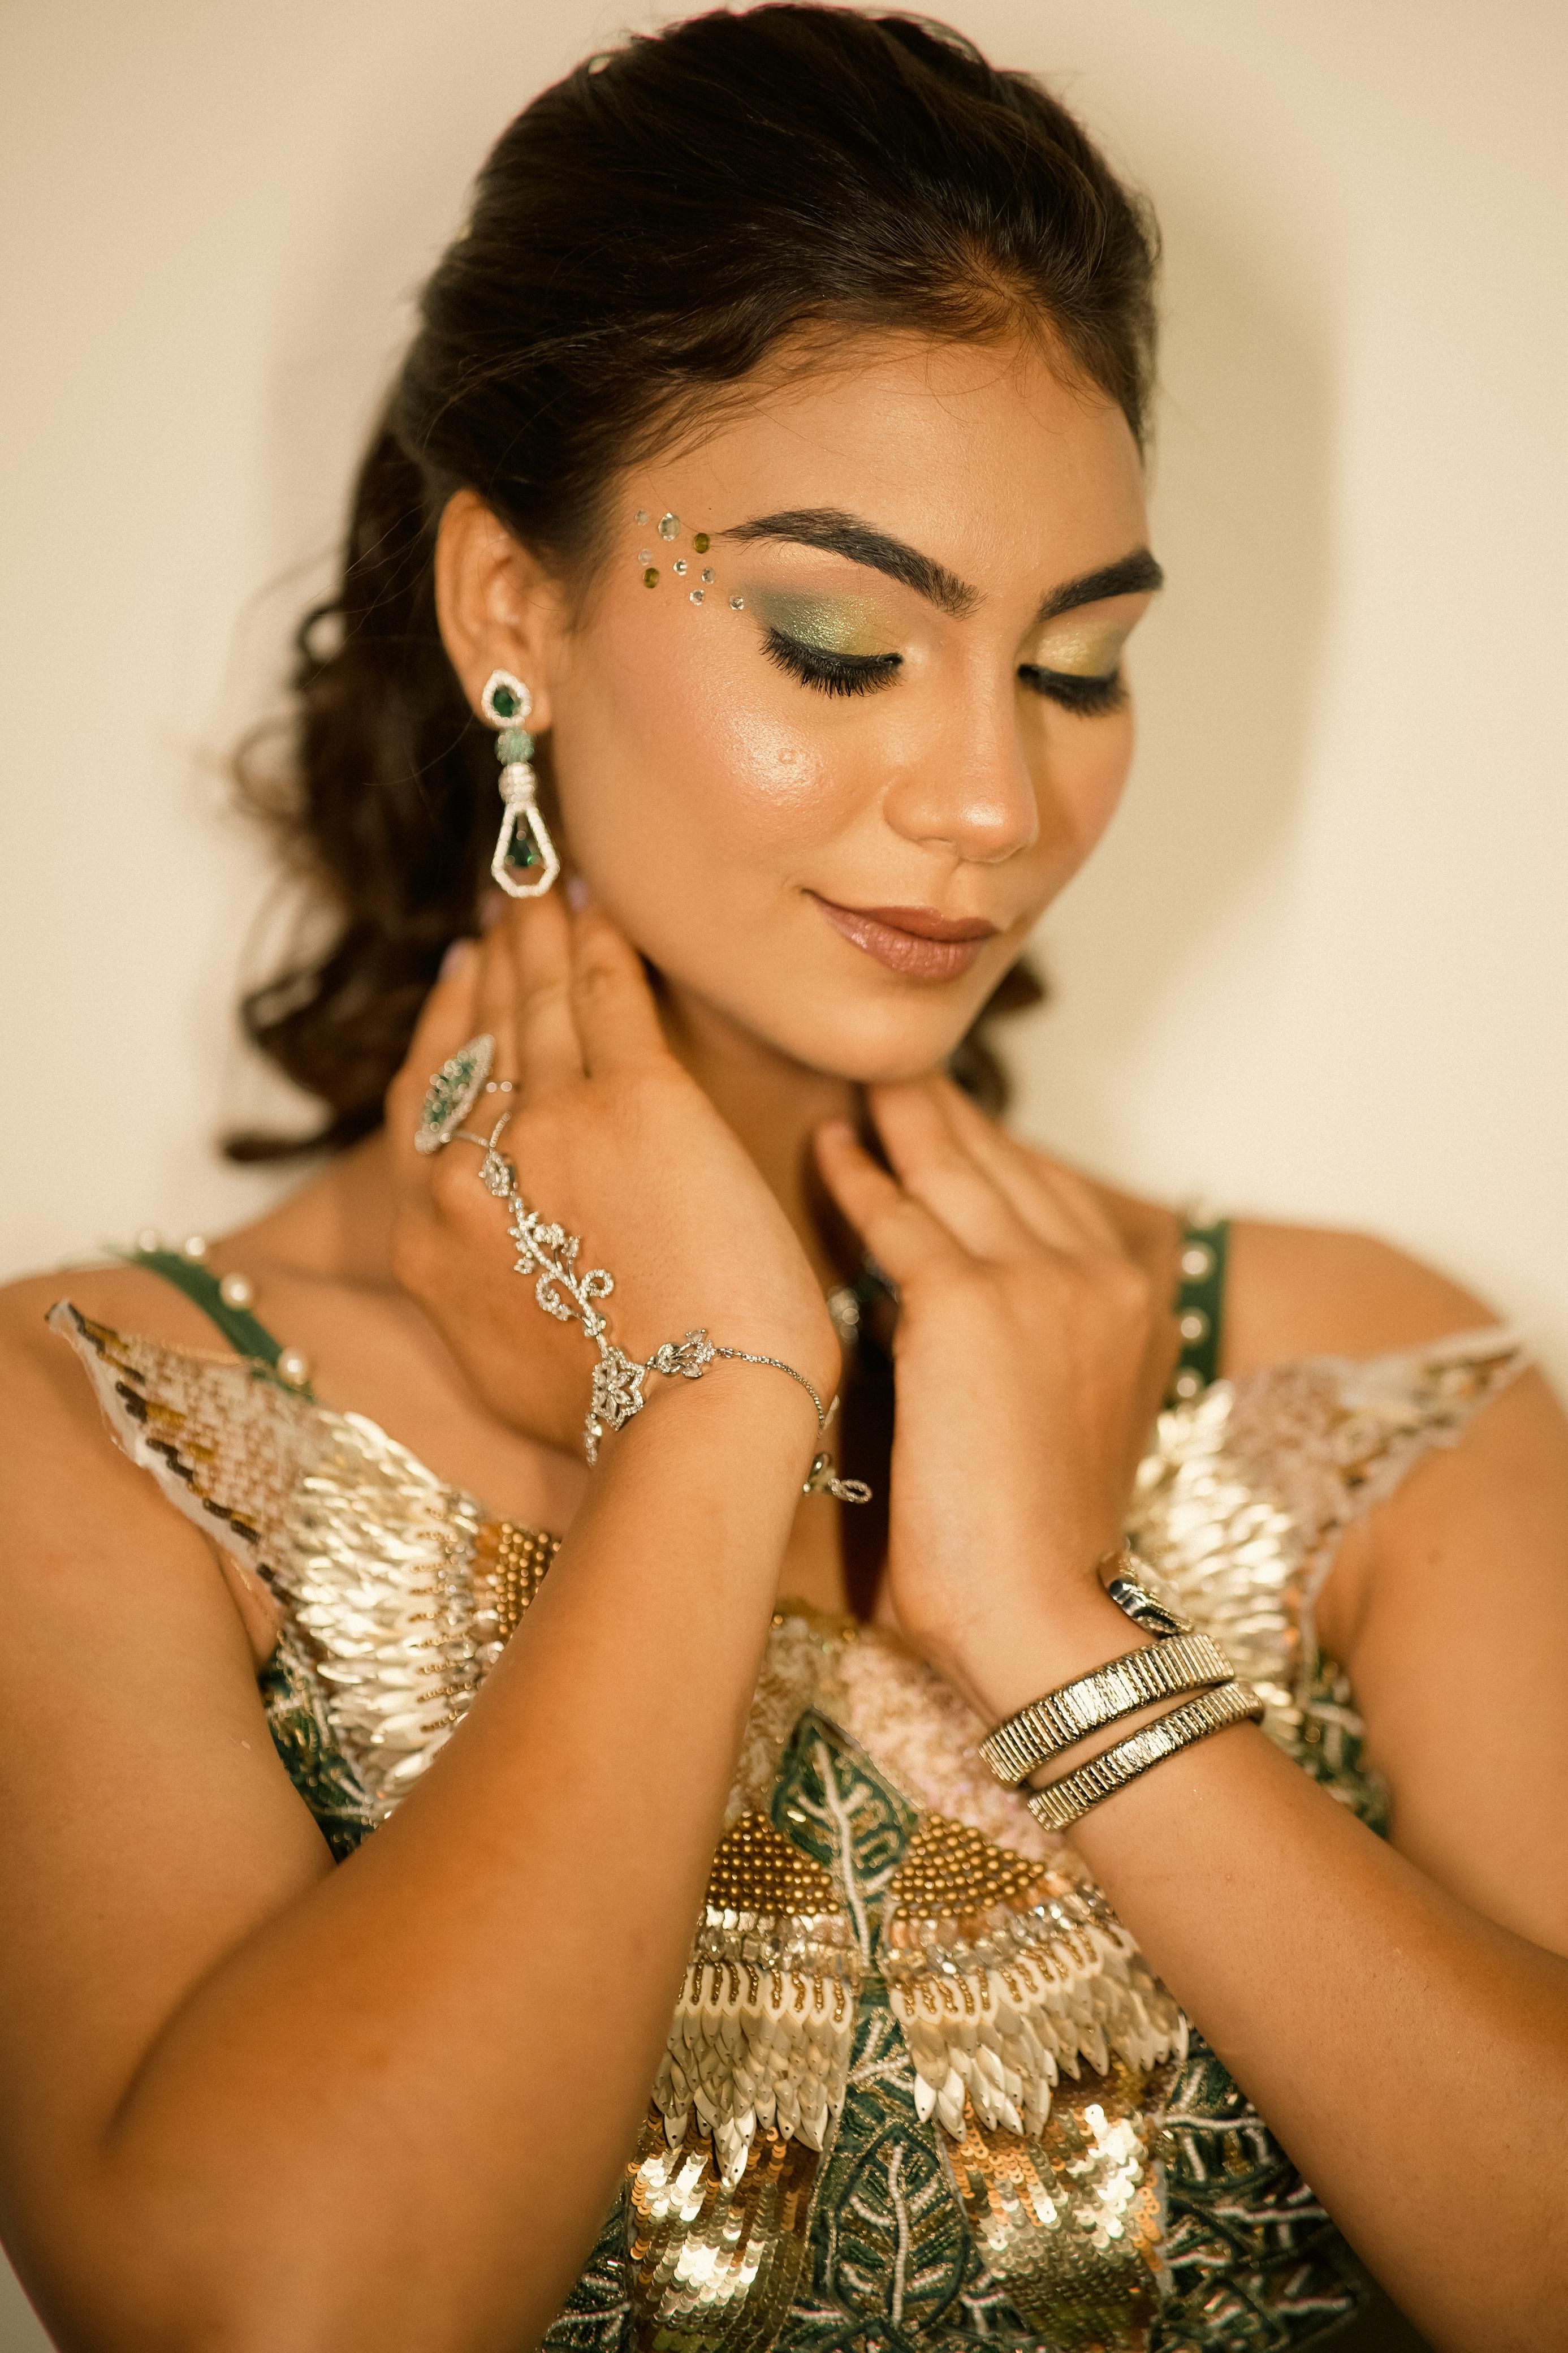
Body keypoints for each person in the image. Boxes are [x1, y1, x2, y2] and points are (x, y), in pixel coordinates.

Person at [1, 8, 1563, 2348]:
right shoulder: (92, 1434)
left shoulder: (1358, 1388)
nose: (994, 802)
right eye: (841, 646)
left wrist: (1050, 1629)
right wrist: (717, 1403)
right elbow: (280, 2308)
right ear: (509, 609)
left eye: (1076, 665)